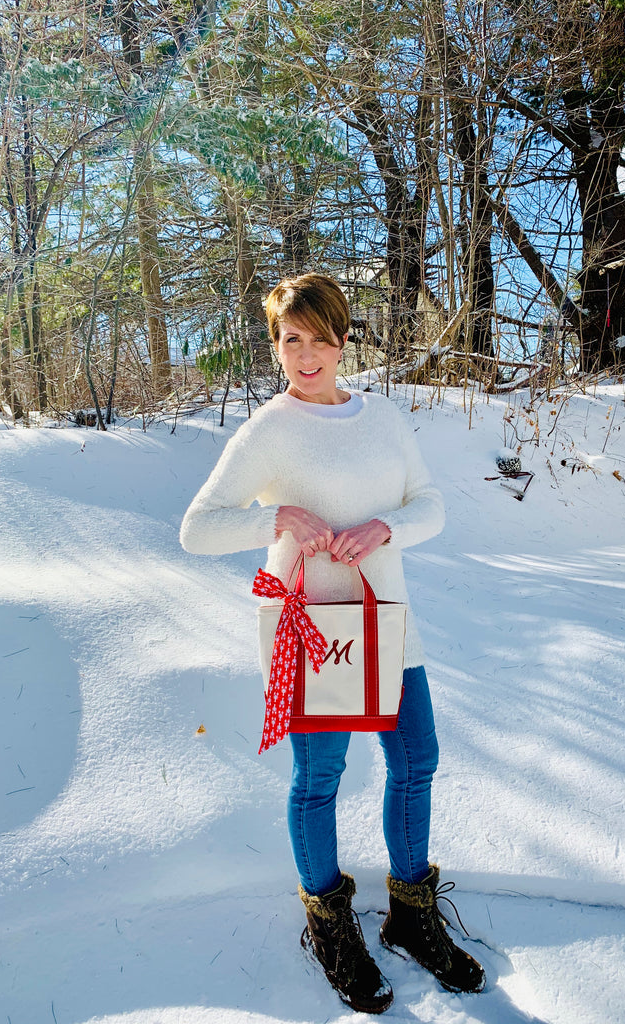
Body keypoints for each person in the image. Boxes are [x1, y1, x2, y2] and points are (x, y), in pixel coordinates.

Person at [180, 273, 484, 1013]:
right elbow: (197, 528)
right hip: (312, 634)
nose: (305, 355)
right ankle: (329, 923)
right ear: (275, 343)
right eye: (291, 339)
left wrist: (389, 527)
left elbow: (432, 505)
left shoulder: (381, 418)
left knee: (417, 758)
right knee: (319, 778)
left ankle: (412, 915)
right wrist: (276, 517)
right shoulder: (268, 431)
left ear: (344, 341)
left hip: (386, 621)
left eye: (319, 338)